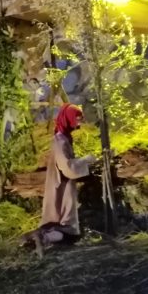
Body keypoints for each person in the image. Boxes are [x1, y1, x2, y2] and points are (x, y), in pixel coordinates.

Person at [34, 103, 96, 257]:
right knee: (61, 217)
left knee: (65, 221)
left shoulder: (64, 138)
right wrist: (86, 160)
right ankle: (42, 238)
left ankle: (49, 237)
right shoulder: (60, 141)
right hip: (60, 183)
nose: (79, 123)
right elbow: (67, 167)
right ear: (68, 118)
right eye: (77, 119)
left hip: (63, 182)